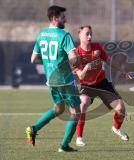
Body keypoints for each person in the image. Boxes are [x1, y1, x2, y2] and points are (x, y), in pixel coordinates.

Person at [26, 5, 81, 152]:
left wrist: (47, 62)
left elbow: (33, 59)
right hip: (65, 80)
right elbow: (74, 58)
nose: (65, 19)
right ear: (55, 18)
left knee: (59, 109)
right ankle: (64, 146)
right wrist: (77, 62)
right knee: (76, 111)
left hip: (51, 80)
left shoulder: (41, 34)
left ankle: (33, 128)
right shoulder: (64, 35)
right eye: (63, 17)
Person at [74, 25, 131, 146]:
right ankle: (79, 138)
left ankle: (116, 128)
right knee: (82, 105)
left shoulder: (97, 47)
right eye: (87, 34)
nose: (90, 36)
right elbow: (80, 77)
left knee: (121, 109)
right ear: (80, 36)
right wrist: (87, 68)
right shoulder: (75, 54)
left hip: (102, 83)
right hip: (86, 85)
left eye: (91, 34)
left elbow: (108, 60)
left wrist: (122, 70)